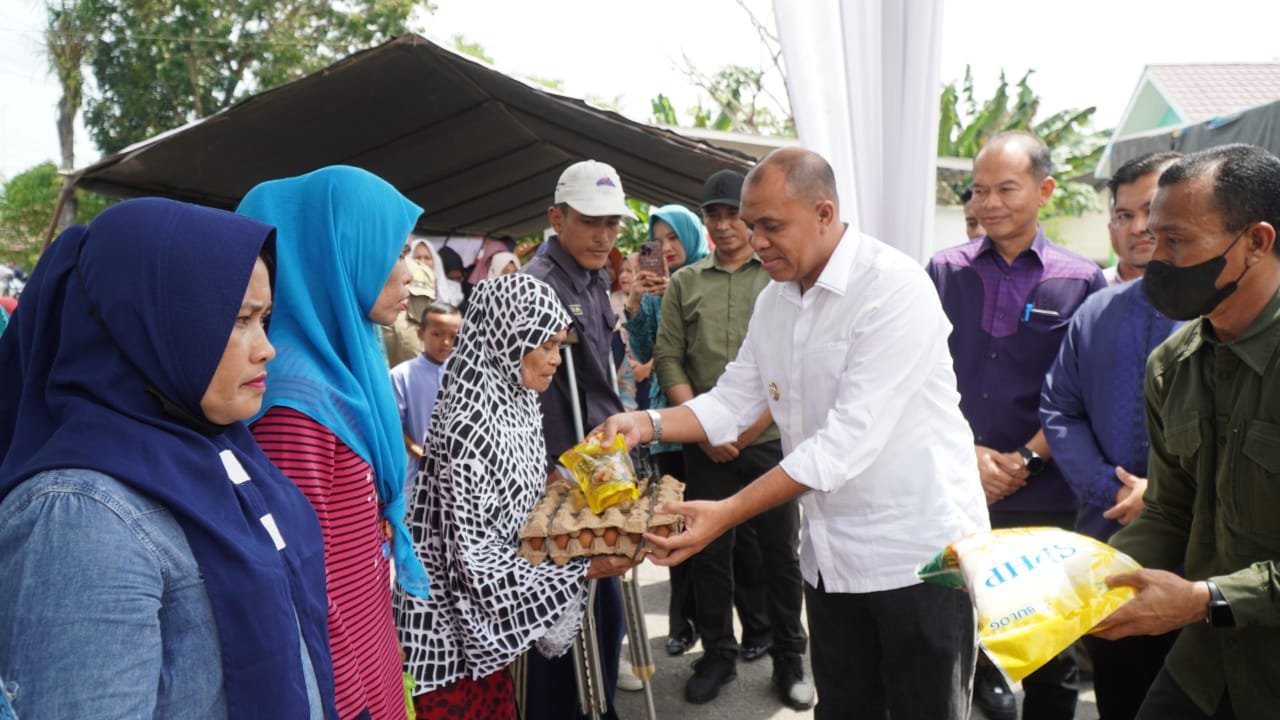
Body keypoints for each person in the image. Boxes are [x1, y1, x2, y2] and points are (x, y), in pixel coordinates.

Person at [598, 148, 990, 719]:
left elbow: (844, 444)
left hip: (920, 557)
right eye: (751, 225)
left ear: (825, 213)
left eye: (771, 226)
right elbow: (735, 398)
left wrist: (727, 512)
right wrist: (646, 423)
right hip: (832, 561)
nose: (755, 240)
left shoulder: (892, 287)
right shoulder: (776, 301)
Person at [0, 198, 335, 718]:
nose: (266, 347)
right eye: (240, 319)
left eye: (265, 319)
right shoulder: (80, 515)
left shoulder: (218, 449)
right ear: (148, 325)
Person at [1091, 144, 1280, 720]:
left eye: (1178, 241)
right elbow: (1171, 512)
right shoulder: (1173, 365)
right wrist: (1081, 582)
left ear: (1256, 242)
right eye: (1153, 238)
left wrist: (1205, 599)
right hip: (1207, 665)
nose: (1156, 259)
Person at [238, 165, 432, 720]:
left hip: (367, 655)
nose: (413, 276)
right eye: (395, 253)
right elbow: (311, 591)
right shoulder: (294, 404)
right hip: (346, 685)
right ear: (334, 253)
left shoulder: (345, 363)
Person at [395, 274, 633, 719]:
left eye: (559, 345)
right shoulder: (468, 425)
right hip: (449, 637)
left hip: (489, 641)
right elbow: (474, 561)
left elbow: (517, 503)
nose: (555, 360)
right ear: (504, 338)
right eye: (543, 345)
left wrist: (570, 483)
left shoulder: (517, 400)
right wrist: (583, 565)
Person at [928, 131, 1107, 720]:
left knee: (1048, 646)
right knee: (954, 636)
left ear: (1044, 189)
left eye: (1007, 188)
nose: (990, 203)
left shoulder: (1080, 280)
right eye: (980, 190)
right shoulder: (943, 272)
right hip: (955, 486)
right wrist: (971, 453)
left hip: (1047, 494)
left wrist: (1025, 459)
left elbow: (1083, 390)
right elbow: (919, 376)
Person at [653, 168, 807, 706]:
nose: (722, 225)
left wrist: (746, 428)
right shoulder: (684, 281)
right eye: (712, 215)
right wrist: (704, 422)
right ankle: (717, 653)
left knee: (779, 556)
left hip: (768, 445)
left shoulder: (781, 279)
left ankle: (790, 655)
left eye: (731, 214)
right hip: (705, 445)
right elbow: (669, 357)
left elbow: (790, 366)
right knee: (709, 553)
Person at [1039, 152, 1182, 719]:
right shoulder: (1096, 312)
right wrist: (1110, 488)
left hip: (1202, 556)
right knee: (1120, 693)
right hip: (1109, 541)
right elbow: (1060, 407)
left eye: (1151, 210)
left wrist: (1161, 492)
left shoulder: (1226, 313)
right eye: (1123, 214)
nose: (1138, 227)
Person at [521, 158, 634, 720]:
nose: (604, 235)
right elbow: (526, 391)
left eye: (613, 223)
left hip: (600, 458)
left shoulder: (593, 277)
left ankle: (600, 703)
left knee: (604, 604)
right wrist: (545, 472)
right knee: (555, 614)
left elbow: (599, 376)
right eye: (591, 221)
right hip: (557, 470)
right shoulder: (537, 285)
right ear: (556, 218)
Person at [623, 203, 710, 657]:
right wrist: (637, 302)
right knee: (671, 521)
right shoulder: (656, 290)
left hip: (703, 417)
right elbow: (643, 351)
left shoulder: (710, 281)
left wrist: (676, 290)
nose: (667, 249)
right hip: (663, 421)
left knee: (712, 527)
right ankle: (681, 623)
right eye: (658, 241)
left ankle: (719, 625)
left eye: (674, 238)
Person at [390, 302, 462, 493]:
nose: (446, 342)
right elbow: (394, 425)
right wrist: (419, 453)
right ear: (421, 333)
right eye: (437, 334)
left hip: (458, 476)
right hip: (417, 478)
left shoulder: (464, 375)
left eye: (453, 337)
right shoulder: (401, 375)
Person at [1102, 159, 1166, 286]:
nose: (1138, 228)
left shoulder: (1213, 293)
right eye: (1125, 216)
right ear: (1111, 229)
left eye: (1152, 210)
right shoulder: (1088, 293)